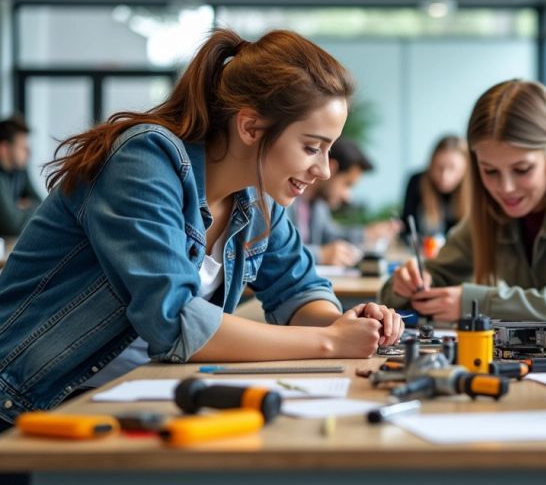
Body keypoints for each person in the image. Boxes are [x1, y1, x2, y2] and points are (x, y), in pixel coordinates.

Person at [0, 28, 404, 432]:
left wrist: (344, 325)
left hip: (132, 403)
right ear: (250, 127)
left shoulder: (260, 196)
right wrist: (330, 343)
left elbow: (298, 291)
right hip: (28, 407)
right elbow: (175, 321)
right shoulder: (144, 161)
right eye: (312, 147)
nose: (325, 169)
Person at [380, 79, 546, 323]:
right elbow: (415, 286)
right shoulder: (492, 208)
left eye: (522, 169)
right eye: (490, 171)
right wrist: (406, 286)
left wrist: (475, 303)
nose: (506, 188)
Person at [288, 137, 400, 266]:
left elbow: (330, 235)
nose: (348, 196)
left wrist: (367, 234)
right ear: (332, 169)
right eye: (347, 184)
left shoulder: (318, 205)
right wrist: (321, 255)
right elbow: (276, 251)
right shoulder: (285, 198)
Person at [400, 134, 469, 240]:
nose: (444, 176)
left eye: (452, 168)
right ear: (431, 164)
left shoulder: (472, 190)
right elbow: (407, 228)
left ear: (465, 168)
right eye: (439, 167)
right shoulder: (417, 182)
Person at [0, 115, 42, 236]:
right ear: (3, 148)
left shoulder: (20, 171)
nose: (29, 152)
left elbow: (41, 205)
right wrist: (22, 208)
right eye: (22, 147)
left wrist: (17, 209)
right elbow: (12, 225)